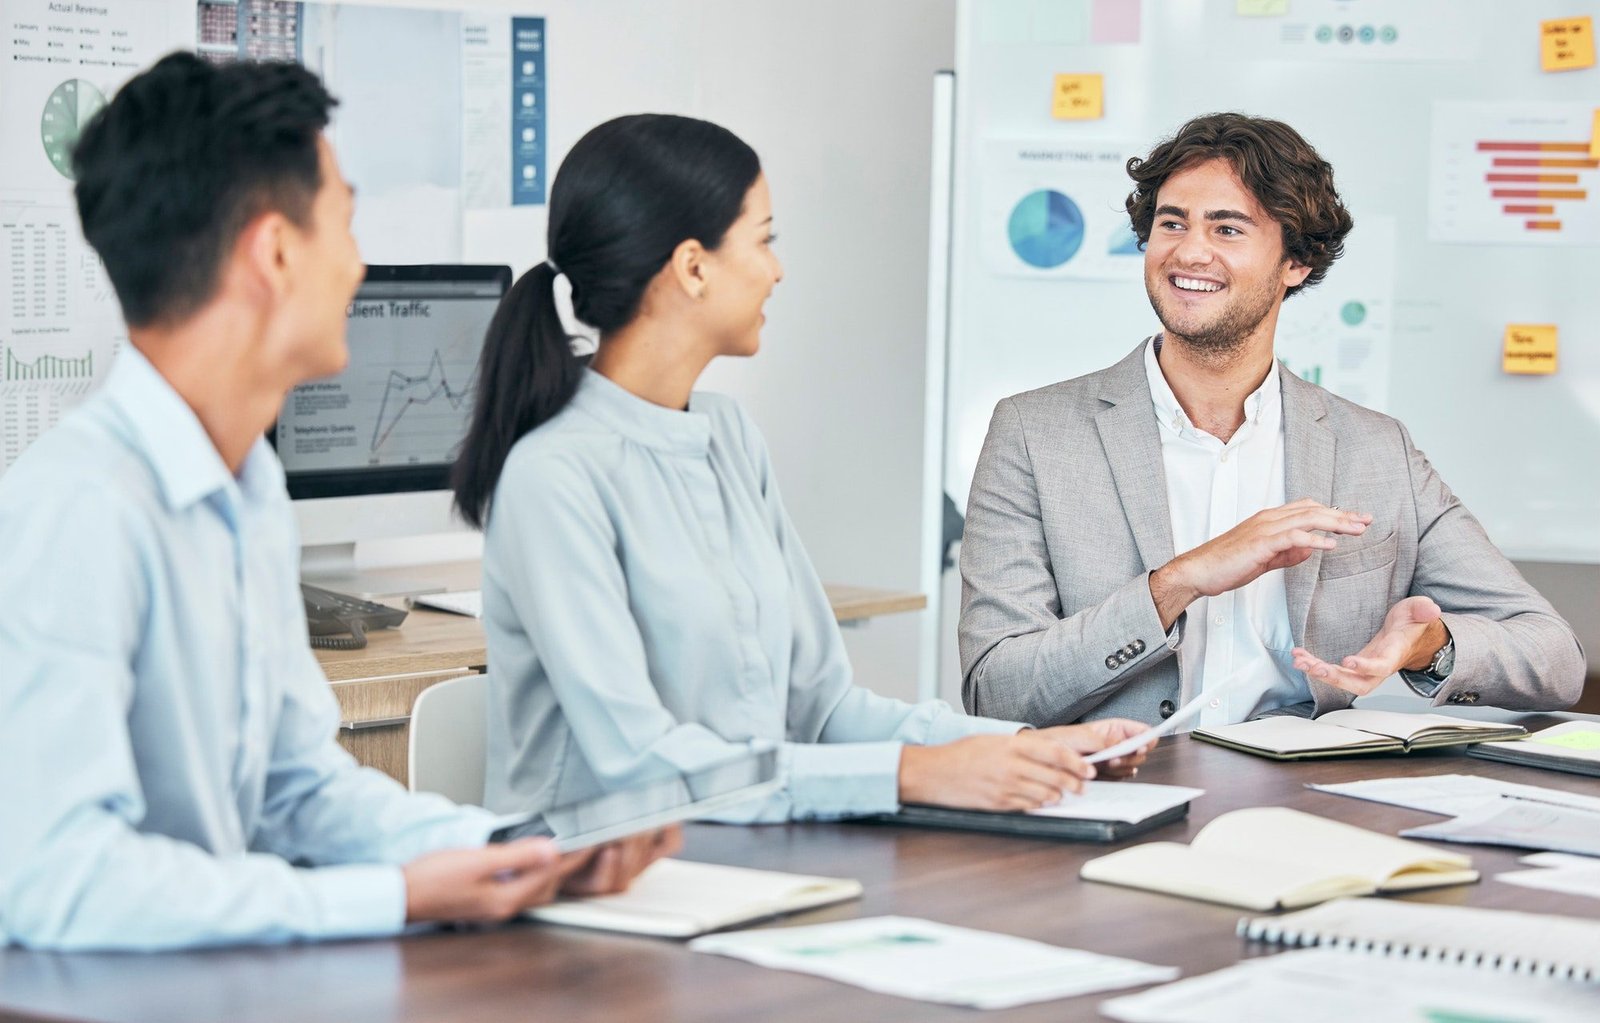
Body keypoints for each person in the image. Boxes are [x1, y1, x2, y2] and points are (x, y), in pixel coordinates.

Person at [0, 53, 673, 952]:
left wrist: (516, 850)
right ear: (275, 253)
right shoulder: (79, 509)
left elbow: (296, 790)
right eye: (344, 226)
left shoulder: (247, 496)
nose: (358, 267)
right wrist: (386, 896)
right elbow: (61, 884)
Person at [452, 114, 1152, 823]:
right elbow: (640, 762)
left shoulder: (726, 434)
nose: (778, 268)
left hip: (747, 850)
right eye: (764, 240)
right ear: (694, 267)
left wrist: (1029, 745)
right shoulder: (553, 475)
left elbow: (823, 707)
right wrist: (915, 773)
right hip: (591, 874)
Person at [958, 112, 1585, 728]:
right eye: (1172, 223)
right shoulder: (1033, 434)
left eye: (1228, 229)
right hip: (1118, 791)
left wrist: (1428, 646)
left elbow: (1554, 658)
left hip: (1301, 799)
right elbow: (997, 690)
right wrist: (1178, 583)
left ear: (1296, 263)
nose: (1190, 252)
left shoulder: (1374, 449)